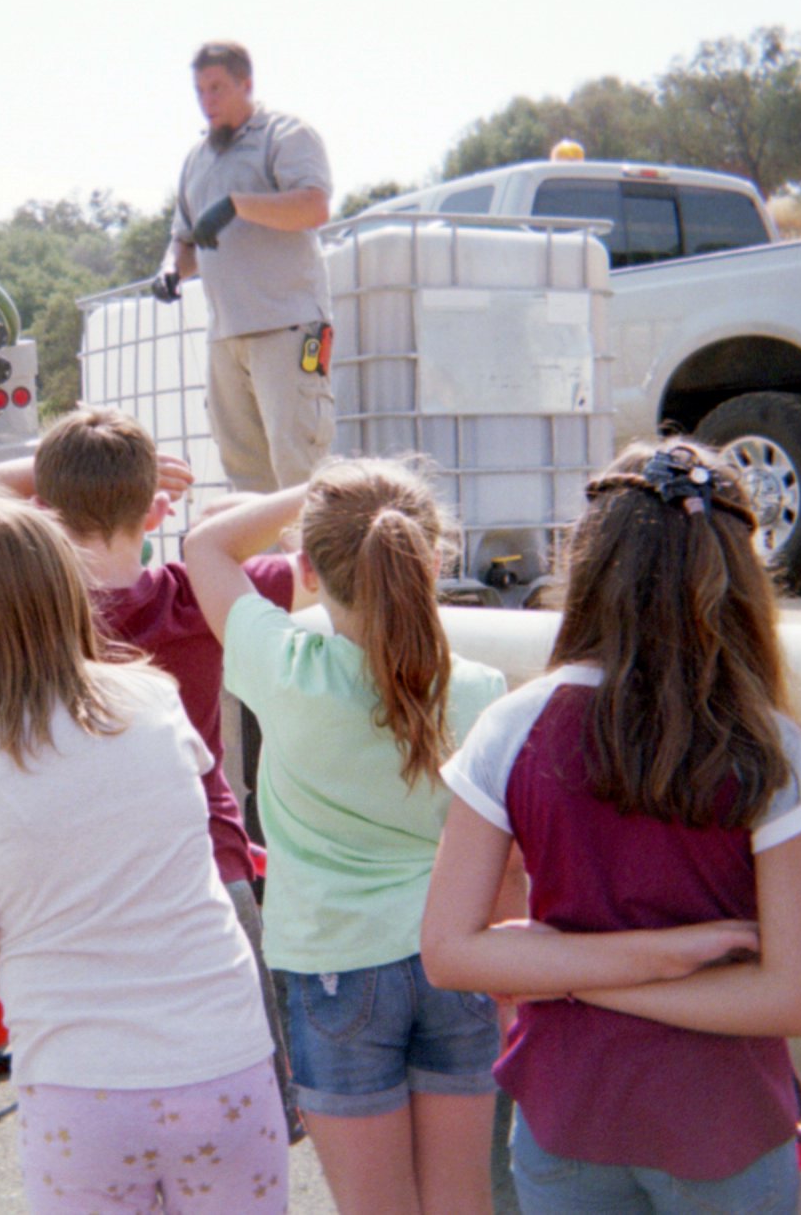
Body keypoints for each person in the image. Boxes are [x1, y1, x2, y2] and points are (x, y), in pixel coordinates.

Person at [420, 440, 801, 1215]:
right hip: (724, 1122)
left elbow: (449, 951)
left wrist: (580, 975)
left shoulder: (512, 726)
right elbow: (799, 997)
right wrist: (667, 956)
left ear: (588, 565)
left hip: (567, 1113)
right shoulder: (769, 747)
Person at [0, 495, 289, 1214]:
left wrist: (8, 929)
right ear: (67, 589)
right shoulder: (156, 700)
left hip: (76, 1082)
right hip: (222, 1053)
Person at [0, 405, 313, 1138]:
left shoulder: (32, 608)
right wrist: (275, 503)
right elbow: (320, 559)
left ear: (44, 509)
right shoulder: (197, 593)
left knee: (109, 1092)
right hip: (206, 859)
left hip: (77, 876)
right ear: (151, 510)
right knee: (250, 1091)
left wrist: (98, 480)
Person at [185, 460, 509, 1215]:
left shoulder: (285, 669)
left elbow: (205, 546)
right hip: (453, 956)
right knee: (462, 1199)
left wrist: (317, 487)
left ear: (308, 571)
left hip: (333, 964)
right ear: (434, 563)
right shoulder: (480, 690)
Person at [155, 40, 335, 494]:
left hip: (288, 327)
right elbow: (185, 239)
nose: (207, 101)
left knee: (298, 466)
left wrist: (237, 205)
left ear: (246, 84)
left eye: (217, 88)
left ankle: (311, 545)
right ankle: (261, 547)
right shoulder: (197, 160)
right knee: (245, 477)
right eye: (199, 91)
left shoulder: (286, 135)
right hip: (225, 336)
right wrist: (171, 270)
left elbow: (314, 207)